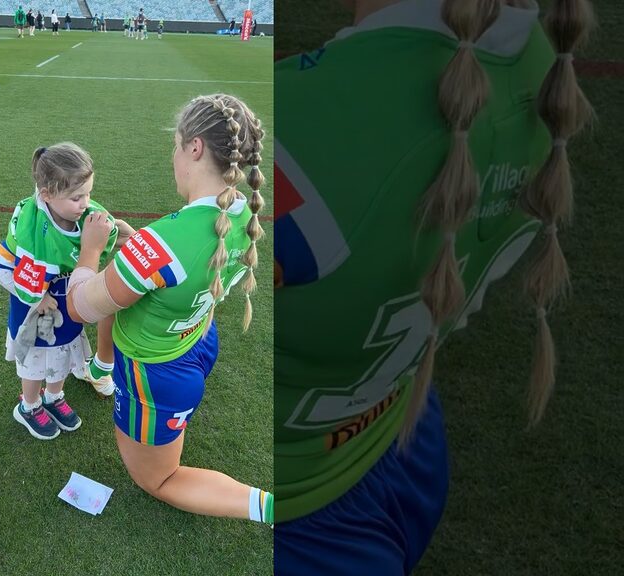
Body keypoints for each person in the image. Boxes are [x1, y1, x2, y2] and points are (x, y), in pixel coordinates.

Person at [274, 0, 594, 574]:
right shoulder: (543, 70)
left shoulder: (310, 128)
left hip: (290, 512)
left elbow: (170, 301)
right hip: (398, 436)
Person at [65, 94, 273, 524]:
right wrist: (138, 255)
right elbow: (186, 266)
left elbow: (79, 306)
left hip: (154, 375)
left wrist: (91, 253)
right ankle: (103, 370)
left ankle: (280, 509)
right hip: (197, 340)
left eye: (176, 145)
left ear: (195, 148)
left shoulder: (161, 244)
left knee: (158, 480)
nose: (174, 156)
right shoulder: (244, 212)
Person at [0, 143, 120, 441]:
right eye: (76, 197)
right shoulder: (33, 229)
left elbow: (101, 230)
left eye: (88, 193)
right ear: (47, 195)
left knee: (64, 356)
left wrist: (115, 231)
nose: (86, 203)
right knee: (34, 365)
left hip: (66, 305)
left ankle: (53, 397)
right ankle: (29, 405)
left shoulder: (81, 213)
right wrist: (37, 297)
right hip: (36, 311)